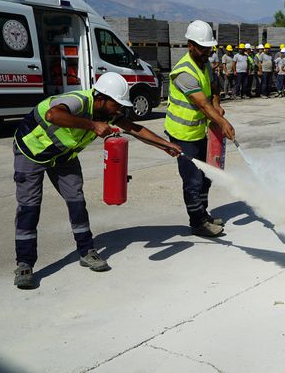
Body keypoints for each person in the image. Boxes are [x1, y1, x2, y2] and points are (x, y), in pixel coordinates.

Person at [11, 72, 182, 288]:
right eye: (116, 104)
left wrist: (164, 145)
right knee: (29, 207)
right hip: (31, 152)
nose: (119, 110)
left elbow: (135, 129)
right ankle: (24, 263)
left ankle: (86, 251)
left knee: (77, 201)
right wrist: (92, 125)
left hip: (63, 156)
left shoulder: (108, 113)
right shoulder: (78, 101)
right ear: (101, 98)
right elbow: (53, 115)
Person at [165, 20, 236, 239]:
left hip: (199, 131)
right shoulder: (184, 72)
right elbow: (201, 105)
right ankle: (197, 223)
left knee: (207, 176)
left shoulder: (204, 63)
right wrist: (223, 123)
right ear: (190, 45)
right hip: (182, 134)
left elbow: (213, 88)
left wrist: (217, 102)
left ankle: (203, 214)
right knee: (193, 180)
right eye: (203, 47)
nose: (207, 52)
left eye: (209, 48)